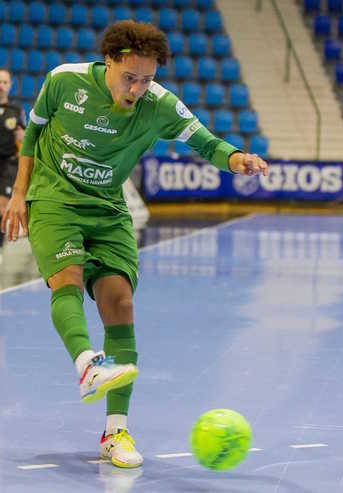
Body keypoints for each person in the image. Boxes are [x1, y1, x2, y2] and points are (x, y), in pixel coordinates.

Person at [1, 20, 268, 469]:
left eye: (148, 79)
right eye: (131, 77)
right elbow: (32, 134)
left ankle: (115, 432)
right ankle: (88, 364)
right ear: (109, 62)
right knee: (65, 277)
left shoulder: (158, 104)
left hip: (108, 207)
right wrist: (19, 193)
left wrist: (236, 158)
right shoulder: (64, 80)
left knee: (120, 304)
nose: (139, 87)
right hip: (54, 197)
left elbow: (203, 140)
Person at [0, 68, 25, 246]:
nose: (1, 86)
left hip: (8, 163)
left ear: (10, 86)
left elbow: (24, 139)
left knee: (1, 207)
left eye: (4, 82)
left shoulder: (16, 111)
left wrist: (22, 137)